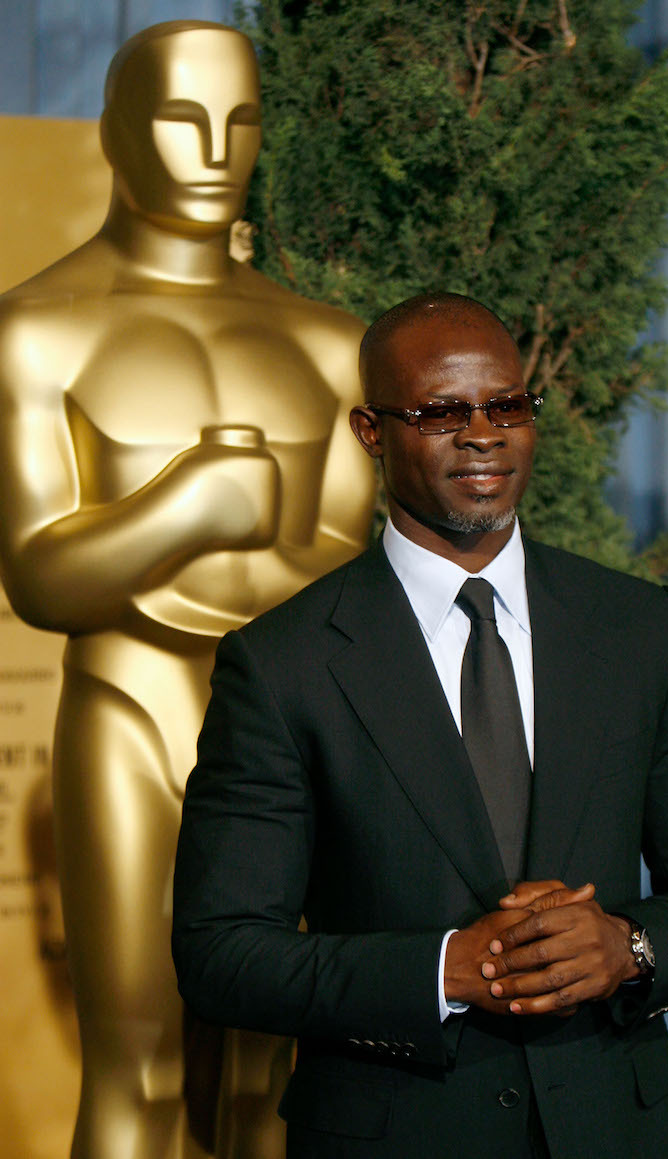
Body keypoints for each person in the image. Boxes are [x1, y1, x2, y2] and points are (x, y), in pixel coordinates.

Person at [172, 292, 668, 1158]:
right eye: (443, 411)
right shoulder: (282, 663)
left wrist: (626, 946)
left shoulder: (640, 628)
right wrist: (444, 968)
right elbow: (221, 952)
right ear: (371, 432)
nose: (483, 432)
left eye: (507, 405)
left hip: (619, 1128)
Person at [0, 20, 373, 1159]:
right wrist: (186, 509)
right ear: (114, 135)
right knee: (145, 1074)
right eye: (178, 117)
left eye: (241, 119)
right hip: (130, 712)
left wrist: (178, 546)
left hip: (292, 741)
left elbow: (365, 590)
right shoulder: (37, 334)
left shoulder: (325, 342)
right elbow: (39, 577)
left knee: (274, 1083)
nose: (214, 147)